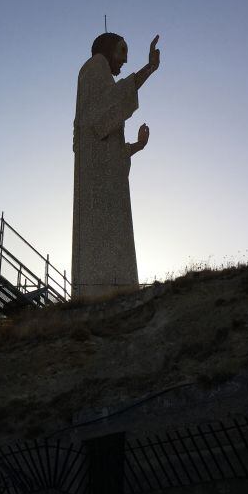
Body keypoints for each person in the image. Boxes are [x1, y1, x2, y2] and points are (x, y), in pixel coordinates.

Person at [71, 32, 160, 299]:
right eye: (122, 51)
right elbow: (102, 112)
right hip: (95, 191)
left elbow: (111, 149)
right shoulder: (95, 66)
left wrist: (136, 146)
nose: (123, 60)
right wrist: (150, 69)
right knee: (100, 249)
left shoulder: (102, 77)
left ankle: (116, 292)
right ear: (107, 50)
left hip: (106, 184)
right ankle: (99, 293)